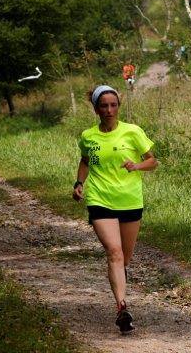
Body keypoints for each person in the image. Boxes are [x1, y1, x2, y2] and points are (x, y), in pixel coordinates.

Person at [73, 84, 158, 334]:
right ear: (96, 109)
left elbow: (153, 161)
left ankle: (119, 286)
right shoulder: (89, 136)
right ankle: (122, 308)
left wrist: (137, 166)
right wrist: (79, 183)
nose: (109, 110)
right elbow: (86, 160)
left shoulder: (133, 132)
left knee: (124, 259)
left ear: (118, 107)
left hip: (130, 201)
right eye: (104, 106)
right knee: (114, 252)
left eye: (113, 105)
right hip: (100, 199)